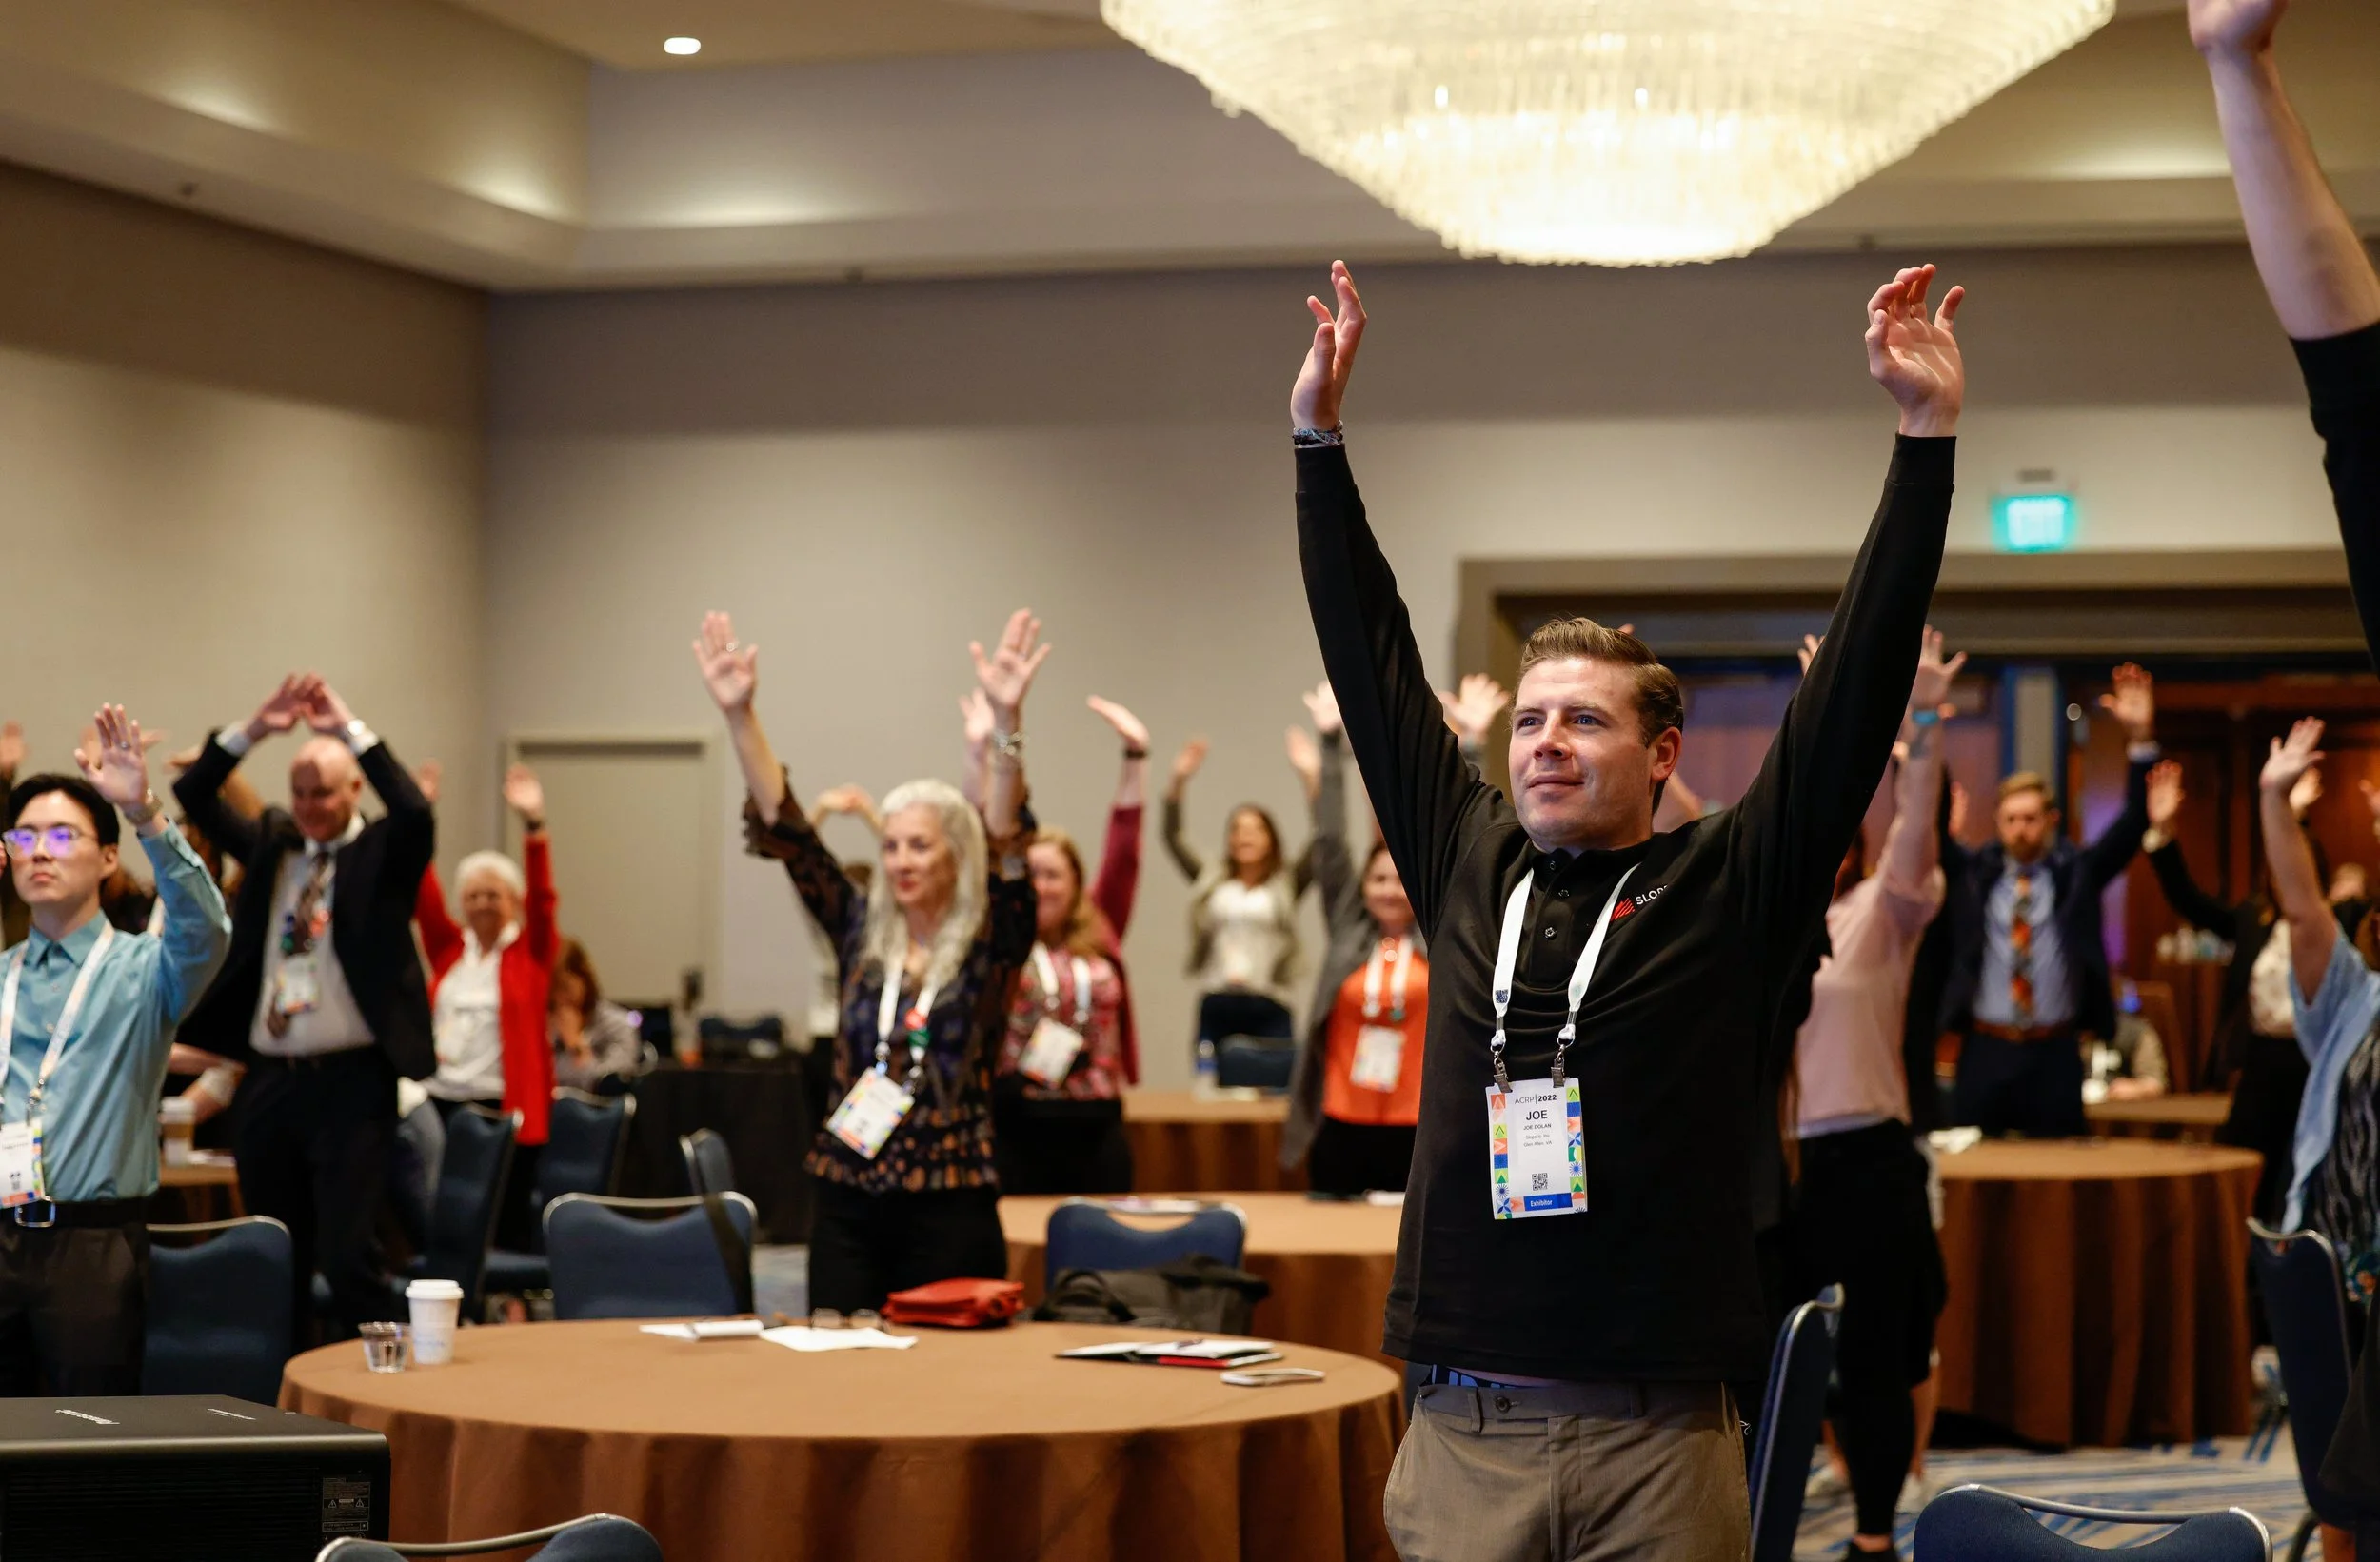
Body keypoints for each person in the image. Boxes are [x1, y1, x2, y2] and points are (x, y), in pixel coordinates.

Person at [1292, 254, 1962, 1558]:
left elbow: (1850, 705)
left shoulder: (1729, 882)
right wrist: (1318, 442)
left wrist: (1922, 439)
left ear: (1660, 755)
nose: (1544, 742)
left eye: (1584, 720)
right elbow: (1370, 659)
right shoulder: (1465, 859)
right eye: (1530, 719)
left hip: (1661, 1440)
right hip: (1465, 1426)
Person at [696, 607, 1040, 1312]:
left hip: (949, 1202)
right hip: (849, 1194)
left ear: (956, 854)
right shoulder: (861, 931)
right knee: (840, 1369)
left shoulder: (988, 945)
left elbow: (1006, 841)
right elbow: (791, 834)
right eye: (892, 845)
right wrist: (740, 716)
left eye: (920, 845)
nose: (901, 860)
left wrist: (1008, 720)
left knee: (946, 1388)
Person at [173, 674, 436, 1339]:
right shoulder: (273, 845)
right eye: (300, 792)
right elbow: (194, 792)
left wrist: (347, 728)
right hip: (270, 1082)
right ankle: (282, 1403)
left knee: (348, 1256)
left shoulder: (380, 853)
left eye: (324, 791)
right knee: (274, 1253)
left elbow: (414, 812)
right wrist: (257, 727)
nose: (311, 806)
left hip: (352, 1083)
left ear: (353, 791)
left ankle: (375, 1400)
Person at [1789, 631, 1959, 1558]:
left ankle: (1871, 1538)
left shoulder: (1879, 918)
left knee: (1873, 1366)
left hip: (1866, 1163)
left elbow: (1916, 824)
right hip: (1771, 1167)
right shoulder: (1750, 922)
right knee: (1760, 1362)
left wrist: (1923, 721)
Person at [0, 707, 230, 1393]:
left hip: (92, 1246)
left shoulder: (144, 970)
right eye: (25, 834)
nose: (40, 849)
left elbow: (207, 929)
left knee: (82, 1454)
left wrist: (144, 811)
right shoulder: (3, 972)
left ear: (107, 858)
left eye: (62, 833)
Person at [1936, 664, 2159, 1138]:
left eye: (2031, 818)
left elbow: (2132, 826)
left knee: (2062, 1175)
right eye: (2011, 819)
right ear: (1997, 822)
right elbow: (1928, 828)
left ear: (2051, 819)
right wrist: (1922, 733)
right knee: (1975, 1173)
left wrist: (2140, 741)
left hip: (2055, 1052)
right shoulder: (1974, 876)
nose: (2021, 829)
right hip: (1986, 1047)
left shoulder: (2077, 873)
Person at [2144, 757, 2317, 1221]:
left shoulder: (2333, 928)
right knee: (2243, 1183)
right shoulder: (2252, 920)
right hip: (2260, 1063)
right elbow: (2190, 902)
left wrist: (2292, 814)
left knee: (2305, 1183)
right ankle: (2245, 1279)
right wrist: (2163, 835)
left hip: (2315, 1064)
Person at [992, 696, 1149, 1195]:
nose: (1041, 886)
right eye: (1031, 875)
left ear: (1077, 883)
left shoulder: (1101, 931)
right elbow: (992, 840)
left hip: (1095, 1117)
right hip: (1019, 1120)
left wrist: (1136, 757)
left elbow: (1124, 852)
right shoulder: (1001, 938)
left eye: (1053, 875)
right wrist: (994, 746)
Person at [1284, 680, 1429, 1196]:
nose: (1390, 890)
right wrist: (1330, 746)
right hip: (1343, 1119)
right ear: (1363, 888)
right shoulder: (1348, 931)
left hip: (1417, 1125)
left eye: (1401, 881)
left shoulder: (1439, 939)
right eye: (1379, 879)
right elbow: (1329, 841)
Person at [412, 764, 558, 1250]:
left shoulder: (531, 953)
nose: (481, 904)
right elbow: (423, 892)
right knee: (447, 1217)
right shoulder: (449, 950)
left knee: (505, 1222)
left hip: (501, 1108)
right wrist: (420, 814)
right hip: (442, 1101)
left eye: (493, 894)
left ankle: (509, 1307)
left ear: (513, 901)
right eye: (471, 895)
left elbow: (544, 901)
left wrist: (534, 827)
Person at [1162, 736, 1310, 1056]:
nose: (1245, 836)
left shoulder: (1286, 884)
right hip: (1218, 1001)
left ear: (1272, 839)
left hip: (1269, 1001)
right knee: (1211, 1091)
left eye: (1255, 829)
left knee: (1274, 1095)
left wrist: (1312, 779)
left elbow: (1322, 844)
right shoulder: (1212, 880)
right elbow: (1173, 838)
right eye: (1237, 829)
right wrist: (1178, 781)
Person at [550, 939, 644, 1093]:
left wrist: (575, 1045)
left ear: (584, 979)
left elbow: (604, 1088)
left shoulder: (619, 1026)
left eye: (565, 987)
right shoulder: (545, 1026)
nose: (559, 999)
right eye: (552, 990)